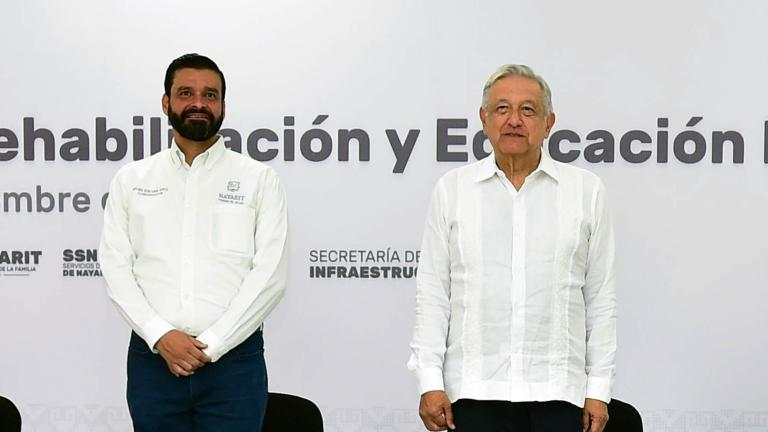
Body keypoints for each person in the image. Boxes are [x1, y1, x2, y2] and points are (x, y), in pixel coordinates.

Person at [408, 64, 616, 432]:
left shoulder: (586, 191)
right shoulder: (452, 190)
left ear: (549, 122)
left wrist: (599, 388)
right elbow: (433, 294)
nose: (514, 120)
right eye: (502, 109)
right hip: (472, 393)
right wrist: (430, 381)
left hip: (558, 393)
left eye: (528, 110)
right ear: (484, 120)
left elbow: (600, 298)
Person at [99, 53, 288, 431]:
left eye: (210, 95)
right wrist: (160, 335)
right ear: (166, 102)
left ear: (223, 106)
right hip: (153, 361)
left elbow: (270, 277)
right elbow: (116, 267)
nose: (199, 103)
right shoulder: (131, 179)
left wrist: (213, 344)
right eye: (186, 93)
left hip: (234, 365)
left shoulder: (259, 180)